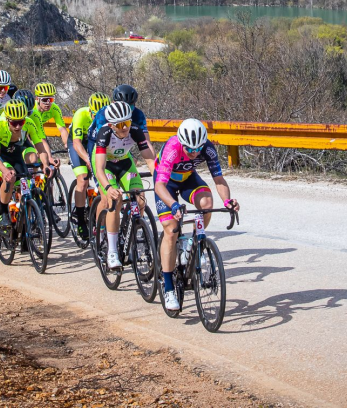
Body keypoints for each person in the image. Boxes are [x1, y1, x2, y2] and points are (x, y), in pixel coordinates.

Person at [153, 118, 239, 311]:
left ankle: (192, 243)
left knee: (207, 204)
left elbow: (218, 178)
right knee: (171, 230)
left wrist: (227, 201)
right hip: (166, 184)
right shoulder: (173, 148)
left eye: (197, 149)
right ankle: (168, 289)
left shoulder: (207, 148)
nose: (193, 153)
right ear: (182, 142)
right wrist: (174, 205)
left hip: (188, 179)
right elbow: (159, 185)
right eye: (189, 149)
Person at [92, 101, 156, 270]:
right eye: (120, 125)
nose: (125, 128)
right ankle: (112, 251)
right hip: (106, 165)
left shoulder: (134, 130)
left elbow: (149, 159)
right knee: (115, 200)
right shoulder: (104, 133)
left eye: (127, 122)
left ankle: (132, 231)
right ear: (112, 125)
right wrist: (108, 188)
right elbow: (99, 169)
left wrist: (160, 180)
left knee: (140, 199)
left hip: (125, 163)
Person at [68, 92, 110, 239]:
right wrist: (88, 159)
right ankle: (80, 221)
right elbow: (77, 143)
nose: (97, 118)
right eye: (94, 114)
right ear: (89, 110)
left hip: (96, 144)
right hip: (79, 143)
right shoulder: (81, 115)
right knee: (83, 179)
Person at [0, 100, 35, 228]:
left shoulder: (29, 123)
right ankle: (2, 212)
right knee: (10, 176)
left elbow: (40, 145)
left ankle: (25, 227)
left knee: (25, 188)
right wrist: (5, 171)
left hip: (15, 154)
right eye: (14, 123)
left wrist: (47, 164)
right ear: (7, 119)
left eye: (21, 122)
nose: (18, 126)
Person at [87, 84, 149, 158]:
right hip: (96, 140)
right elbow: (103, 139)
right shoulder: (103, 113)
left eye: (131, 106)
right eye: (124, 105)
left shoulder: (138, 114)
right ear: (114, 103)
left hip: (119, 140)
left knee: (132, 161)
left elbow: (147, 143)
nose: (128, 109)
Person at [25, 84, 64, 169]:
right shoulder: (31, 109)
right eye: (45, 99)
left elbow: (62, 130)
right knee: (34, 160)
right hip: (26, 133)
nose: (48, 102)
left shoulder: (54, 108)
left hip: (37, 133)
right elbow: (26, 134)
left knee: (48, 163)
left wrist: (67, 145)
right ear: (37, 99)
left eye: (51, 99)